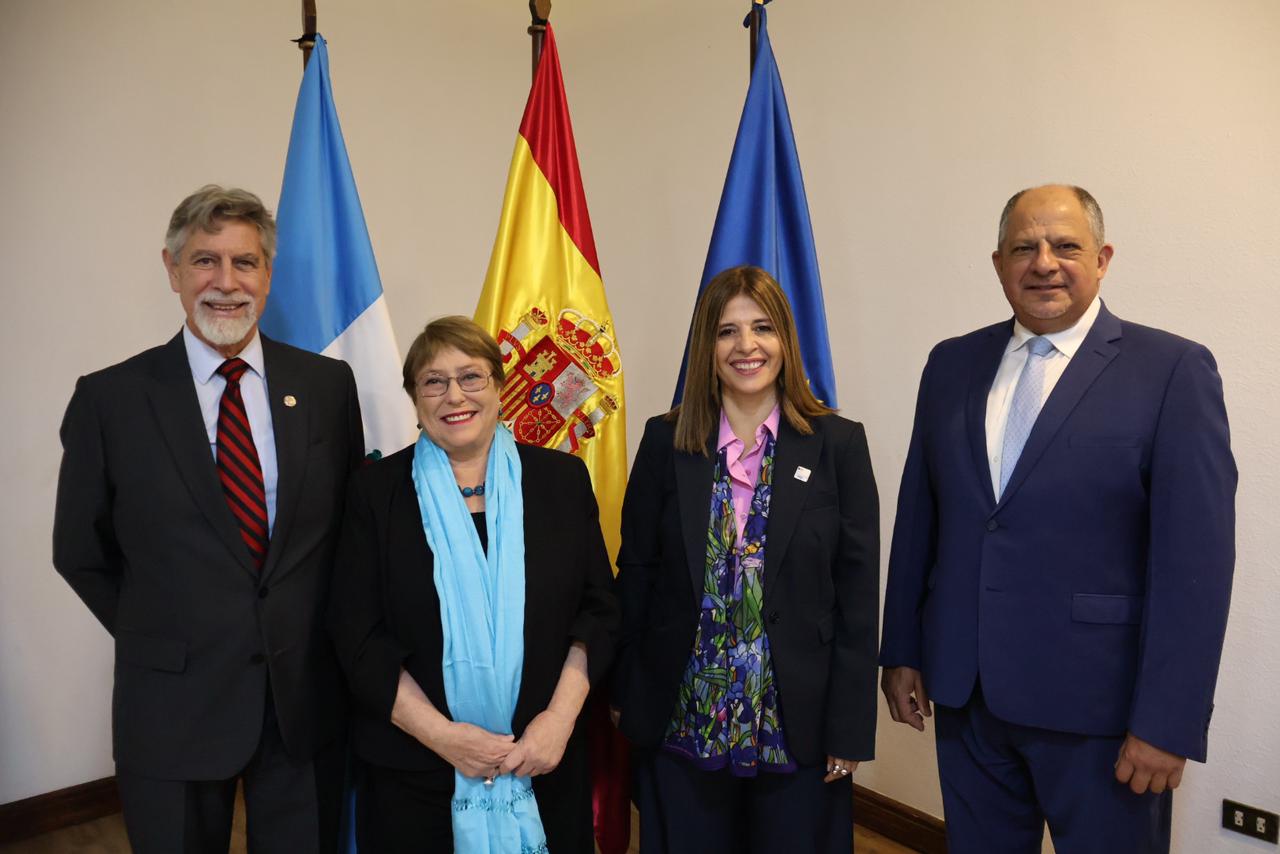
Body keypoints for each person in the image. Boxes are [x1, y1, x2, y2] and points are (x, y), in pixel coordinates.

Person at [880, 184, 1236, 854]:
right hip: (968, 697)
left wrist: (1169, 721)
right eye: (1025, 247)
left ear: (1102, 259)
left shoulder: (1172, 371)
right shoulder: (951, 364)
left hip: (1103, 713)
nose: (1044, 262)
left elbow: (1197, 566)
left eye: (1065, 246)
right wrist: (901, 649)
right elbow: (919, 518)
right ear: (998, 264)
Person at [52, 185, 365, 853]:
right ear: (171, 270)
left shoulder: (325, 388)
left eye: (244, 262)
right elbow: (80, 550)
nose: (226, 283)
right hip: (171, 705)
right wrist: (163, 631)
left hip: (301, 699)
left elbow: (345, 531)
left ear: (269, 274)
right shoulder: (110, 400)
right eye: (204, 261)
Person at [612, 266, 880, 853]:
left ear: (786, 339)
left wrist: (850, 727)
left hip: (799, 726)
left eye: (762, 328)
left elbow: (858, 599)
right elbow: (635, 573)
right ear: (707, 347)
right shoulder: (666, 441)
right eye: (727, 331)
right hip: (683, 717)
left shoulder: (837, 445)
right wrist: (629, 695)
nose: (746, 346)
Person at [327, 315, 618, 853]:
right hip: (415, 774)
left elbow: (598, 612)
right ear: (414, 398)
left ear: (500, 388)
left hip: (542, 763)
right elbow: (357, 637)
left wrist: (557, 721)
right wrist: (442, 738)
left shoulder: (561, 481)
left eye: (470, 376)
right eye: (432, 381)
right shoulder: (374, 494)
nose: (452, 395)